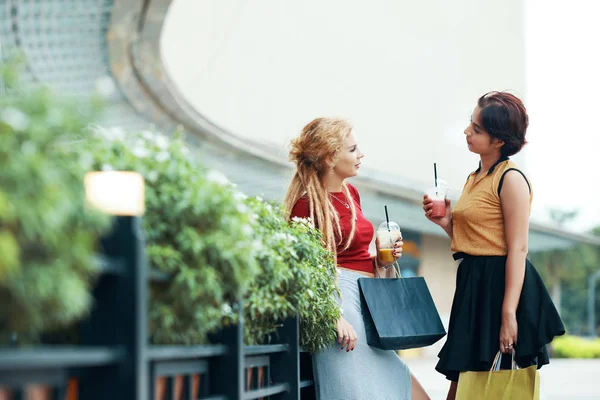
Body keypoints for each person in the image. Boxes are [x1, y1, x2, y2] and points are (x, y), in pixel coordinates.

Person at [423, 91, 565, 400]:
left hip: (501, 288)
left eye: (476, 128)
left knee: (487, 385)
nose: (466, 132)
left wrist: (508, 314)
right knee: (463, 385)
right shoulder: (475, 176)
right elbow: (477, 242)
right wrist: (447, 222)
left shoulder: (510, 178)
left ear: (498, 140)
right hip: (474, 285)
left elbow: (517, 249)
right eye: (469, 124)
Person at [284, 117, 429, 400]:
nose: (360, 154)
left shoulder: (352, 194)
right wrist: (333, 316)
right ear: (329, 157)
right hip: (341, 308)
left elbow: (356, 257)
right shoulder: (306, 205)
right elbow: (303, 270)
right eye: (352, 149)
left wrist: (382, 261)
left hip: (368, 303)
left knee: (407, 391)